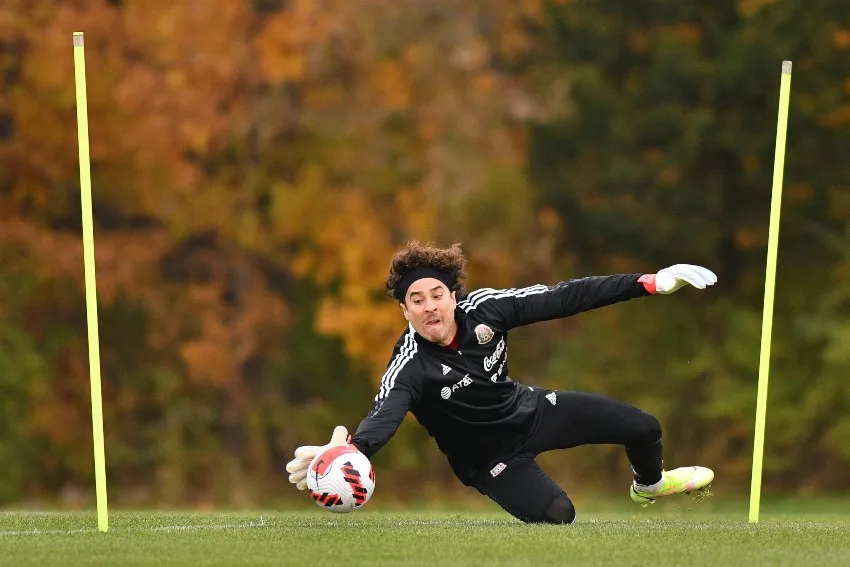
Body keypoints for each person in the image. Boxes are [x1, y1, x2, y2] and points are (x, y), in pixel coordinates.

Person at [286, 241, 717, 523]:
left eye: (437, 295)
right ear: (405, 312)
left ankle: (651, 486)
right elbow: (386, 414)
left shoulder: (488, 309)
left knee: (644, 427)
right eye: (416, 301)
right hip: (489, 460)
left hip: (530, 412)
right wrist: (351, 450)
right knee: (559, 516)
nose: (429, 307)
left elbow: (567, 296)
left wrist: (648, 283)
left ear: (453, 296)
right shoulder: (410, 365)